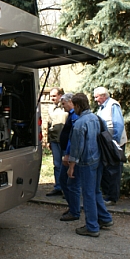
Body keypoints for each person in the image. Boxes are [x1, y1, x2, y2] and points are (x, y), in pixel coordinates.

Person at [68, 93, 113, 237]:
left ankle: (92, 227)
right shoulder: (96, 118)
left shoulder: (79, 124)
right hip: (98, 160)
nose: (73, 109)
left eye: (74, 105)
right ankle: (105, 219)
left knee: (88, 194)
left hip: (87, 162)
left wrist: (71, 166)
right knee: (95, 191)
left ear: (78, 106)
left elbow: (77, 149)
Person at [94, 86, 127, 205]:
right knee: (107, 169)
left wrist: (114, 143)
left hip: (114, 143)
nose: (95, 100)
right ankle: (107, 194)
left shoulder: (113, 105)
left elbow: (118, 124)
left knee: (114, 170)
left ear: (103, 96)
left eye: (97, 97)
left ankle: (112, 197)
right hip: (107, 143)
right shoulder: (102, 107)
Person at [58, 93, 81, 221]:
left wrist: (68, 155)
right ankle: (73, 207)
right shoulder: (72, 115)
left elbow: (74, 138)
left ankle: (74, 210)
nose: (63, 106)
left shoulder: (75, 116)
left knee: (70, 182)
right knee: (65, 180)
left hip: (71, 155)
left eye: (64, 104)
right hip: (69, 154)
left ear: (70, 102)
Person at [46, 87, 68, 197]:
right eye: (51, 96)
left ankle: (67, 188)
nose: (52, 98)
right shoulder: (51, 108)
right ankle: (58, 187)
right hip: (54, 140)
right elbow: (48, 124)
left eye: (54, 96)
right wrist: (48, 140)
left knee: (66, 164)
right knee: (57, 164)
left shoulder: (66, 106)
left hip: (65, 141)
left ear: (60, 95)